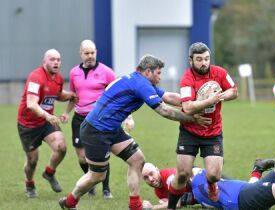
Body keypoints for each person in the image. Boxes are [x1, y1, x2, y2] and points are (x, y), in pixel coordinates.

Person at [59, 54, 211, 210]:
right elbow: (164, 110)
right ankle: (69, 202)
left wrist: (195, 103)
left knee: (137, 160)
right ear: (147, 72)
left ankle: (135, 205)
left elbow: (168, 96)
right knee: (97, 175)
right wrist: (191, 118)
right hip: (96, 131)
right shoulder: (141, 84)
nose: (160, 77)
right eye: (158, 73)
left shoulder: (138, 80)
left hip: (111, 129)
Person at [60, 40, 133, 199]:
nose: (90, 56)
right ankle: (90, 181)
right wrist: (66, 112)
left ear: (96, 52)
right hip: (79, 119)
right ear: (81, 54)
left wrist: (128, 117)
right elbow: (74, 96)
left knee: (103, 154)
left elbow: (120, 95)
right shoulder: (74, 73)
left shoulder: (107, 72)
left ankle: (106, 189)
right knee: (81, 156)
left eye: (92, 52)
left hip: (102, 121)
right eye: (86, 53)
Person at [168, 42, 238, 208]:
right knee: (183, 174)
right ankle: (171, 207)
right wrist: (209, 100)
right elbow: (187, 107)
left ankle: (212, 185)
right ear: (190, 60)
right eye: (199, 59)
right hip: (189, 132)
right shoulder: (187, 79)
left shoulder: (219, 72)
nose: (204, 63)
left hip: (213, 131)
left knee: (214, 175)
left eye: (206, 59)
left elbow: (234, 90)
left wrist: (220, 96)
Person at [17, 49, 76, 198]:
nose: (56, 62)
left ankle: (49, 173)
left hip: (46, 121)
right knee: (32, 161)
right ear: (44, 62)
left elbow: (58, 94)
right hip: (28, 124)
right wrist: (47, 116)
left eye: (58, 59)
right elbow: (31, 103)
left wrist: (71, 95)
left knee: (61, 147)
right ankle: (29, 183)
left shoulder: (58, 78)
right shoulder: (35, 77)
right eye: (52, 59)